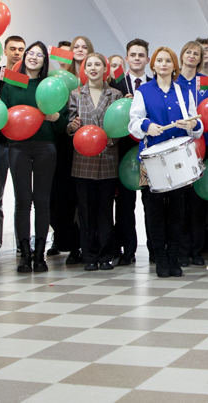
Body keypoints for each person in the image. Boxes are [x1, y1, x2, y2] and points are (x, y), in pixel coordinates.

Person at [128, 48, 204, 278]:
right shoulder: (142, 91)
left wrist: (190, 125)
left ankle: (174, 256)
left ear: (174, 66)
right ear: (153, 65)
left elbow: (198, 127)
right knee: (153, 210)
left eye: (167, 60)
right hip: (152, 160)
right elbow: (133, 123)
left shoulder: (183, 92)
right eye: (159, 60)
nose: (163, 64)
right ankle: (159, 257)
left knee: (177, 210)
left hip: (178, 159)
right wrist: (146, 126)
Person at [1, 42, 65, 273]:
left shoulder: (51, 85)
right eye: (30, 53)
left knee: (42, 200)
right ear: (24, 56)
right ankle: (24, 254)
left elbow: (62, 123)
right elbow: (3, 116)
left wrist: (56, 117)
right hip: (17, 146)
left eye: (39, 55)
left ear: (45, 60)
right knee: (22, 200)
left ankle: (40, 255)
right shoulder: (11, 82)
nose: (34, 57)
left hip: (46, 145)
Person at [66, 53, 122, 271]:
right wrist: (72, 127)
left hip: (108, 157)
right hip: (83, 160)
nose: (93, 68)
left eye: (97, 64)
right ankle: (88, 255)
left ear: (105, 69)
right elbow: (70, 125)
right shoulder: (76, 94)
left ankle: (106, 254)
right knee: (86, 212)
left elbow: (120, 124)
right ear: (84, 69)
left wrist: (111, 139)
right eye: (89, 64)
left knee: (106, 210)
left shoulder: (115, 94)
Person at [51, 36, 93, 262]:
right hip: (65, 142)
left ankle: (87, 242)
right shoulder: (58, 77)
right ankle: (69, 242)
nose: (79, 50)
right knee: (64, 196)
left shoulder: (96, 73)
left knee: (85, 197)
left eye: (84, 47)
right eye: (76, 47)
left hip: (90, 141)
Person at [111, 38, 151, 265]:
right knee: (125, 204)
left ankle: (155, 248)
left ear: (147, 58)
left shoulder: (153, 85)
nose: (137, 58)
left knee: (150, 201)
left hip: (147, 149)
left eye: (141, 55)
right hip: (122, 150)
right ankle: (127, 250)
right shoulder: (115, 84)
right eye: (133, 55)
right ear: (126, 58)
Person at [0, 35, 26, 260]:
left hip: (22, 144)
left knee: (23, 197)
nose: (17, 53)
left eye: (21, 49)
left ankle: (23, 242)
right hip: (0, 143)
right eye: (13, 49)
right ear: (5, 50)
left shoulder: (26, 77)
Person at [177, 41, 208, 267]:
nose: (191, 56)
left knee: (198, 203)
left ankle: (197, 250)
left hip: (203, 147)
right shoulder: (173, 82)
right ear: (182, 56)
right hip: (179, 148)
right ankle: (181, 249)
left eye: (195, 54)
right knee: (181, 204)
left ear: (200, 59)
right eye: (188, 52)